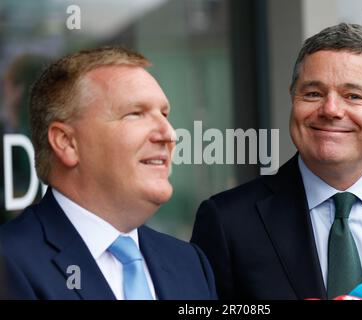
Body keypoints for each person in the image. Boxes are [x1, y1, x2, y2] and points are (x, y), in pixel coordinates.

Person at [191, 23, 362, 300]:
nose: (331, 110)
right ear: (293, 98)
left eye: (353, 96)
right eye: (313, 93)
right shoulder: (227, 221)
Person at [0, 47, 217, 300]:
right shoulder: (9, 263)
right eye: (135, 114)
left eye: (165, 114)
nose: (169, 134)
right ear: (67, 143)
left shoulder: (189, 263)